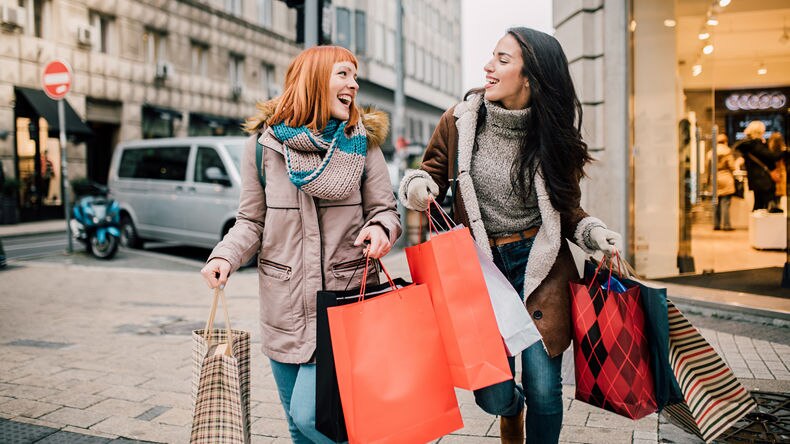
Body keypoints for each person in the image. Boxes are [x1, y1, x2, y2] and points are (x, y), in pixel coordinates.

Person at [399, 27, 622, 444]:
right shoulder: (460, 121)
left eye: (503, 60)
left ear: (531, 77)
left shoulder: (553, 137)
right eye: (492, 56)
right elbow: (427, 172)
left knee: (544, 387)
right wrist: (416, 186)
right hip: (480, 268)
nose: (489, 66)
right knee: (492, 391)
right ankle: (510, 410)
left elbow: (568, 209)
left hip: (542, 265)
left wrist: (595, 233)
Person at [200, 45, 401, 443]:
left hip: (344, 303)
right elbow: (250, 220)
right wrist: (225, 255)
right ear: (314, 79)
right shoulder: (263, 146)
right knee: (296, 425)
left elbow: (386, 211)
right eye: (344, 74)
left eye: (354, 76)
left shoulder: (364, 143)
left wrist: (380, 230)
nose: (354, 84)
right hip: (284, 307)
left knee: (311, 417)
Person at [735, 121, 785, 211]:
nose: (764, 132)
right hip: (763, 179)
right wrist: (783, 152)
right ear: (759, 131)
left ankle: (757, 224)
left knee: (759, 204)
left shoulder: (748, 145)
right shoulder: (755, 145)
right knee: (767, 205)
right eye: (763, 130)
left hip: (756, 179)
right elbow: (771, 157)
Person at [708, 134, 736, 230]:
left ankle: (716, 224)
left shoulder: (711, 153)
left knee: (715, 203)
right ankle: (726, 225)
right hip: (725, 177)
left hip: (714, 178)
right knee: (725, 202)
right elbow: (732, 166)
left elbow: (707, 168)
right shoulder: (728, 151)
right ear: (725, 141)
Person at [767, 132, 787, 209]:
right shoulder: (783, 152)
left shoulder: (768, 152)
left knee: (772, 193)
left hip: (772, 173)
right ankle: (777, 207)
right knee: (779, 194)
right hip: (781, 173)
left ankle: (773, 206)